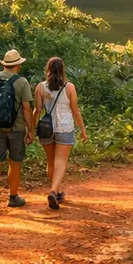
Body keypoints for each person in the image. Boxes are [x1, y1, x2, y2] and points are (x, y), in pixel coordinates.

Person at [0, 49, 36, 210]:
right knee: (15, 163)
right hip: (16, 129)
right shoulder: (21, 82)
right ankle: (13, 197)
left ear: (4, 64)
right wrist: (31, 129)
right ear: (18, 65)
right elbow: (26, 108)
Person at [34, 56, 88, 211]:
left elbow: (37, 110)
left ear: (47, 69)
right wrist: (83, 131)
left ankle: (57, 192)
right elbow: (76, 112)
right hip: (65, 128)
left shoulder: (40, 87)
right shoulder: (69, 87)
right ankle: (53, 191)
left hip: (46, 129)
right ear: (63, 69)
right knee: (61, 162)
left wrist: (32, 129)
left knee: (51, 162)